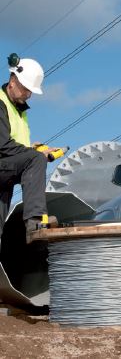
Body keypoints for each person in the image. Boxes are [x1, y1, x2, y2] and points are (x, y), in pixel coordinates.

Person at [0, 55, 56, 243]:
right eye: (26, 89)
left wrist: (32, 149)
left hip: (5, 173)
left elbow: (14, 144)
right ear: (13, 81)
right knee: (36, 159)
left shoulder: (18, 110)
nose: (29, 95)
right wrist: (35, 155)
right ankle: (35, 222)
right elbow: (2, 145)